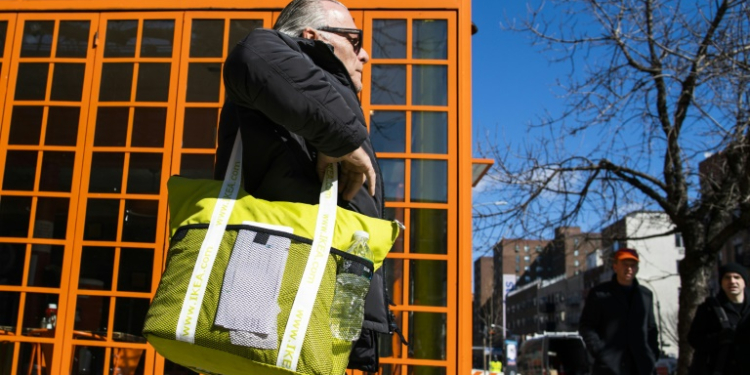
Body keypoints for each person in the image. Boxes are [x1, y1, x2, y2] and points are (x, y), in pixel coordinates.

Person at [213, 0, 394, 371]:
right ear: (313, 38)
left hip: (316, 320)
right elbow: (253, 53)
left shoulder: (321, 102)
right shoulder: (279, 70)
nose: (366, 54)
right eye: (355, 40)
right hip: (267, 309)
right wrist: (343, 139)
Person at [578, 248, 659, 375]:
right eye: (625, 265)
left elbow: (651, 328)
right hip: (610, 368)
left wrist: (652, 355)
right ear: (615, 267)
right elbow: (586, 326)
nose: (629, 269)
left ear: (637, 268)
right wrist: (601, 352)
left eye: (633, 265)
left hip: (642, 367)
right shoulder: (600, 294)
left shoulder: (645, 295)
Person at [688, 262, 750, 375]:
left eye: (737, 277)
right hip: (722, 369)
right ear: (721, 282)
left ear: (744, 282)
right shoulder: (709, 308)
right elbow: (694, 339)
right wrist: (719, 338)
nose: (732, 281)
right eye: (727, 277)